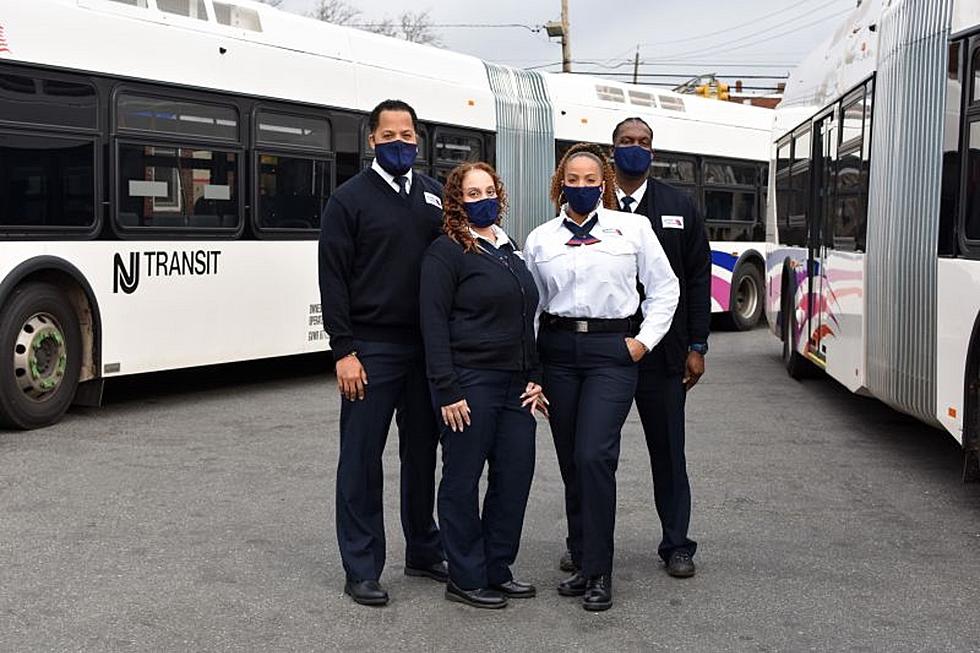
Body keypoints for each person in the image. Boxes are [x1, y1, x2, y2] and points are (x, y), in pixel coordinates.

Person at [523, 142, 679, 612]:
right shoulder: (540, 239)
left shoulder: (633, 228)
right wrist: (531, 368)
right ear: (560, 183)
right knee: (572, 460)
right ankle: (582, 554)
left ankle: (600, 571)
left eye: (592, 179)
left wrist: (642, 342)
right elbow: (529, 307)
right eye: (574, 178)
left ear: (604, 183)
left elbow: (664, 288)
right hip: (558, 353)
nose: (583, 186)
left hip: (612, 352)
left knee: (594, 456)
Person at [318, 99, 447, 607]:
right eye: (389, 134)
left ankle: (424, 547)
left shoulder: (436, 197)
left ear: (418, 139)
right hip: (370, 350)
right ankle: (362, 567)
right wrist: (343, 350)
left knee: (423, 454)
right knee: (360, 461)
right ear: (371, 139)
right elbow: (333, 278)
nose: (400, 141)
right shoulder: (348, 200)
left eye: (408, 134)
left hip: (427, 351)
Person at [420, 162, 547, 609]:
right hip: (469, 382)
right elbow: (432, 325)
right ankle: (465, 575)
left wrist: (536, 377)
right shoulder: (446, 252)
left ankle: (498, 568)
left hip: (517, 386)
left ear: (501, 195)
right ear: (456, 202)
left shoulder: (510, 250)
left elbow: (527, 319)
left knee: (514, 476)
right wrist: (447, 389)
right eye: (472, 194)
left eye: (488, 191)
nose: (482, 199)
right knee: (462, 479)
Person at [613, 116, 711, 578]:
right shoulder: (589, 201)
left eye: (643, 142)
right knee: (593, 453)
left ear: (653, 150)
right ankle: (584, 542)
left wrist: (697, 344)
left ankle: (677, 544)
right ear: (612, 148)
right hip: (604, 354)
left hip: (664, 354)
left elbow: (696, 276)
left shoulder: (678, 205)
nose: (635, 148)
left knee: (669, 453)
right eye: (626, 141)